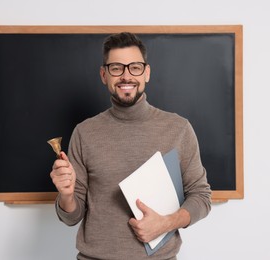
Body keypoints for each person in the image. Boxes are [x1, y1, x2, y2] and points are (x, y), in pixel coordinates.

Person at [50, 32, 211, 260]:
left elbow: (201, 197)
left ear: (146, 73)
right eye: (116, 68)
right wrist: (66, 196)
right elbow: (71, 217)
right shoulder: (84, 133)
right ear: (104, 75)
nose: (126, 76)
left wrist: (165, 223)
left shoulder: (178, 128)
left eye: (134, 67)